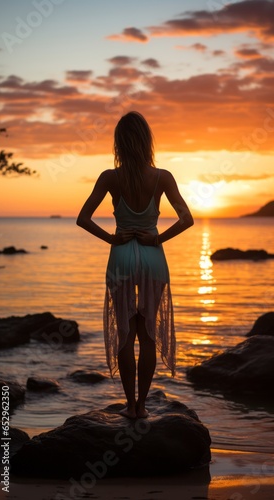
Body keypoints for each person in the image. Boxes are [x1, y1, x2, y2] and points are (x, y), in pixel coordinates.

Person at [77, 111, 194, 419]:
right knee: (148, 334)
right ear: (146, 141)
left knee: (126, 335)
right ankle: (142, 407)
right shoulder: (162, 176)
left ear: (119, 142)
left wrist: (111, 239)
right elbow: (187, 219)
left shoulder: (110, 177)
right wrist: (158, 239)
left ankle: (129, 406)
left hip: (122, 257)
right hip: (153, 257)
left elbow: (83, 218)